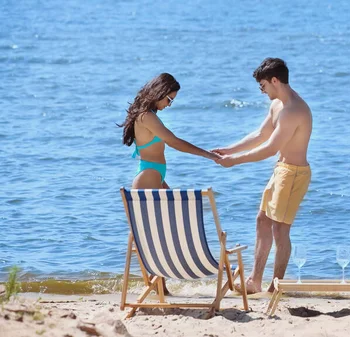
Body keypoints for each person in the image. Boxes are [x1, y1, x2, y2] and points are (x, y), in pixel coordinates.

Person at [213, 58, 312, 293]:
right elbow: (261, 134)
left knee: (280, 230)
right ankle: (254, 281)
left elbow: (270, 148)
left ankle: (275, 287)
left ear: (274, 80)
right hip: (281, 170)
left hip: (294, 174)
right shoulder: (278, 105)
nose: (262, 90)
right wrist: (230, 149)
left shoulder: (293, 110)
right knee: (262, 221)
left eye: (263, 86)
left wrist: (234, 162)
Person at [119, 72, 219, 293]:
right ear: (159, 93)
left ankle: (159, 286)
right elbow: (173, 141)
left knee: (160, 230)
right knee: (148, 234)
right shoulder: (147, 116)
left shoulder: (148, 115)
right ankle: (158, 288)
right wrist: (207, 155)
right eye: (169, 99)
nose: (169, 104)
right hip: (149, 175)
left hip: (155, 175)